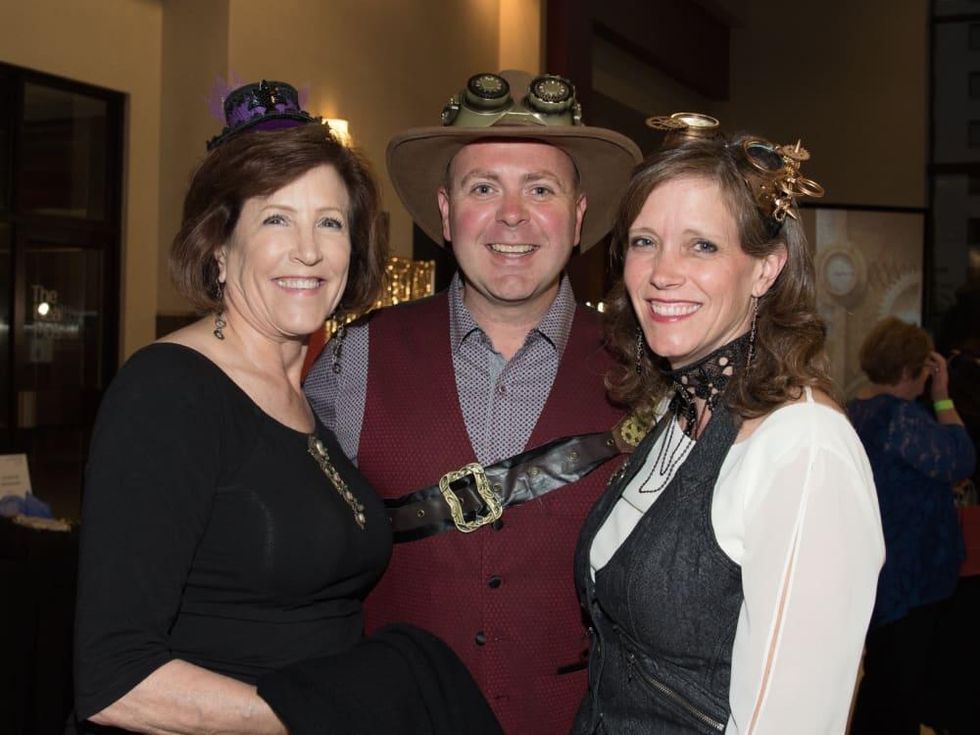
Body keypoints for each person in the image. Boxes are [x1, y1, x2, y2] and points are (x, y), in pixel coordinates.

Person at [304, 69, 642, 733]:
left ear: (577, 217)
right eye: (483, 187)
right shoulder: (350, 361)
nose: (511, 214)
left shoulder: (647, 375)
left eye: (539, 188)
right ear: (444, 211)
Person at [74, 80, 398, 733]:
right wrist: (321, 713)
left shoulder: (307, 397)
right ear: (220, 245)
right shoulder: (169, 392)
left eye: (329, 223)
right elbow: (115, 679)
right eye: (276, 218)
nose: (308, 250)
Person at [572, 113, 885, 733]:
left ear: (766, 268)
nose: (663, 272)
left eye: (702, 245)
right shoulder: (679, 409)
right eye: (644, 241)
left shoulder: (803, 447)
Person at [847, 316, 975, 735]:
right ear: (909, 371)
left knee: (884, 682)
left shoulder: (854, 410)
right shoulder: (901, 419)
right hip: (910, 576)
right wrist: (942, 398)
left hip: (877, 569)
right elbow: (960, 457)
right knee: (899, 692)